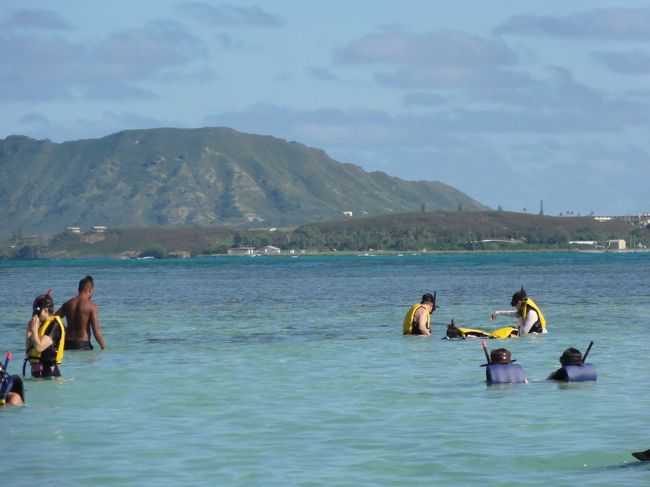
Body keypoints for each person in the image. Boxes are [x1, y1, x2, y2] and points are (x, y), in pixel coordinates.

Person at [55, 275, 107, 350]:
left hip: (67, 344)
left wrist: (65, 329)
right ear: (90, 290)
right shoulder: (92, 307)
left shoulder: (68, 304)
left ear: (78, 289)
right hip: (83, 345)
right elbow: (96, 331)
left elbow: (54, 319)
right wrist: (104, 347)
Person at [25, 292, 65, 378]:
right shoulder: (40, 325)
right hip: (37, 372)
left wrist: (35, 330)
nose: (36, 314)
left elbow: (39, 347)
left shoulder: (54, 325)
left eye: (38, 311)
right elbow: (28, 350)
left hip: (50, 373)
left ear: (46, 310)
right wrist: (29, 330)